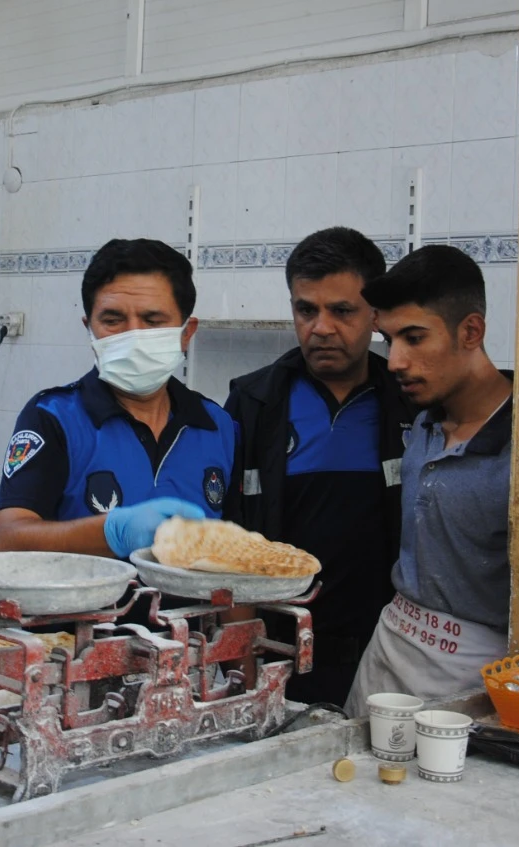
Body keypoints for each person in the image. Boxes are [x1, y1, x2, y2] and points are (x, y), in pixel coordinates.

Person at [222, 228, 414, 705]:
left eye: (341, 311)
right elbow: (229, 538)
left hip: (385, 658)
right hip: (276, 656)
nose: (321, 327)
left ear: (375, 315)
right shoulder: (253, 404)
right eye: (306, 310)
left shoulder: (411, 406)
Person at [344, 244, 514, 715]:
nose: (395, 360)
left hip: (472, 669)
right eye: (390, 340)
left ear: (471, 331)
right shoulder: (421, 424)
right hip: (390, 645)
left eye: (415, 338)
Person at [0, 238, 239, 560]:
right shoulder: (54, 418)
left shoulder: (217, 426)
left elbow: (236, 556)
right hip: (83, 609)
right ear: (90, 329)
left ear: (186, 332)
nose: (132, 336)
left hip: (191, 611)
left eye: (152, 321)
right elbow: (9, 539)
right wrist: (110, 532)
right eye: (112, 320)